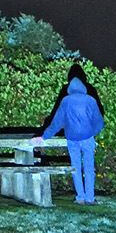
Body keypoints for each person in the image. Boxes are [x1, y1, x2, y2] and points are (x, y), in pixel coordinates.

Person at [32, 70, 105, 203]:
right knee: (89, 167)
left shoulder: (65, 101)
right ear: (83, 87)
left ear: (70, 88)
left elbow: (57, 122)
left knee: (75, 167)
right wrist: (91, 132)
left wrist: (44, 137)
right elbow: (99, 122)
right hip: (87, 138)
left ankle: (80, 197)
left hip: (72, 138)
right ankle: (90, 197)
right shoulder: (91, 100)